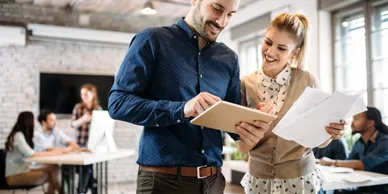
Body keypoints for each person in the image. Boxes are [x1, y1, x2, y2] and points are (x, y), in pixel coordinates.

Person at [108, 0, 269, 193]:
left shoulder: (230, 59)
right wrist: (182, 109)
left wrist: (252, 125)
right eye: (217, 8)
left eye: (230, 14)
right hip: (163, 182)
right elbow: (117, 103)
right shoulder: (152, 40)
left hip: (213, 182)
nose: (222, 21)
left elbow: (233, 126)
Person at [238, 13, 346, 194]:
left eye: (281, 48)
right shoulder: (245, 84)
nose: (270, 52)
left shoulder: (307, 80)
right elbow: (242, 146)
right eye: (268, 42)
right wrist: (257, 129)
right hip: (259, 181)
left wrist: (332, 132)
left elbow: (320, 141)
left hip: (300, 181)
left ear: (294, 52)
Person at [318, 107, 388, 193]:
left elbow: (364, 164)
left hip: (381, 189)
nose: (352, 123)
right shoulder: (359, 142)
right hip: (363, 186)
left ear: (370, 123)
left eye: (356, 119)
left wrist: (331, 162)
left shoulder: (385, 141)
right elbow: (349, 162)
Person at [4, 111, 66, 194]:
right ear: (28, 122)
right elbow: (31, 153)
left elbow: (33, 153)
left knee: (54, 167)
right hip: (15, 176)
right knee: (50, 176)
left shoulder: (22, 135)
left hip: (24, 170)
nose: (35, 124)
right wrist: (55, 153)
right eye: (33, 121)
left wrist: (54, 151)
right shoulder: (18, 136)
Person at [71, 84, 100, 194]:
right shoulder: (78, 108)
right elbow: (73, 124)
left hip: (93, 146)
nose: (84, 96)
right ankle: (91, 188)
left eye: (86, 94)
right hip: (80, 145)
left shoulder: (98, 109)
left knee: (87, 169)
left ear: (93, 94)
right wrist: (83, 119)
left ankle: (82, 190)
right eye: (82, 94)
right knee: (85, 169)